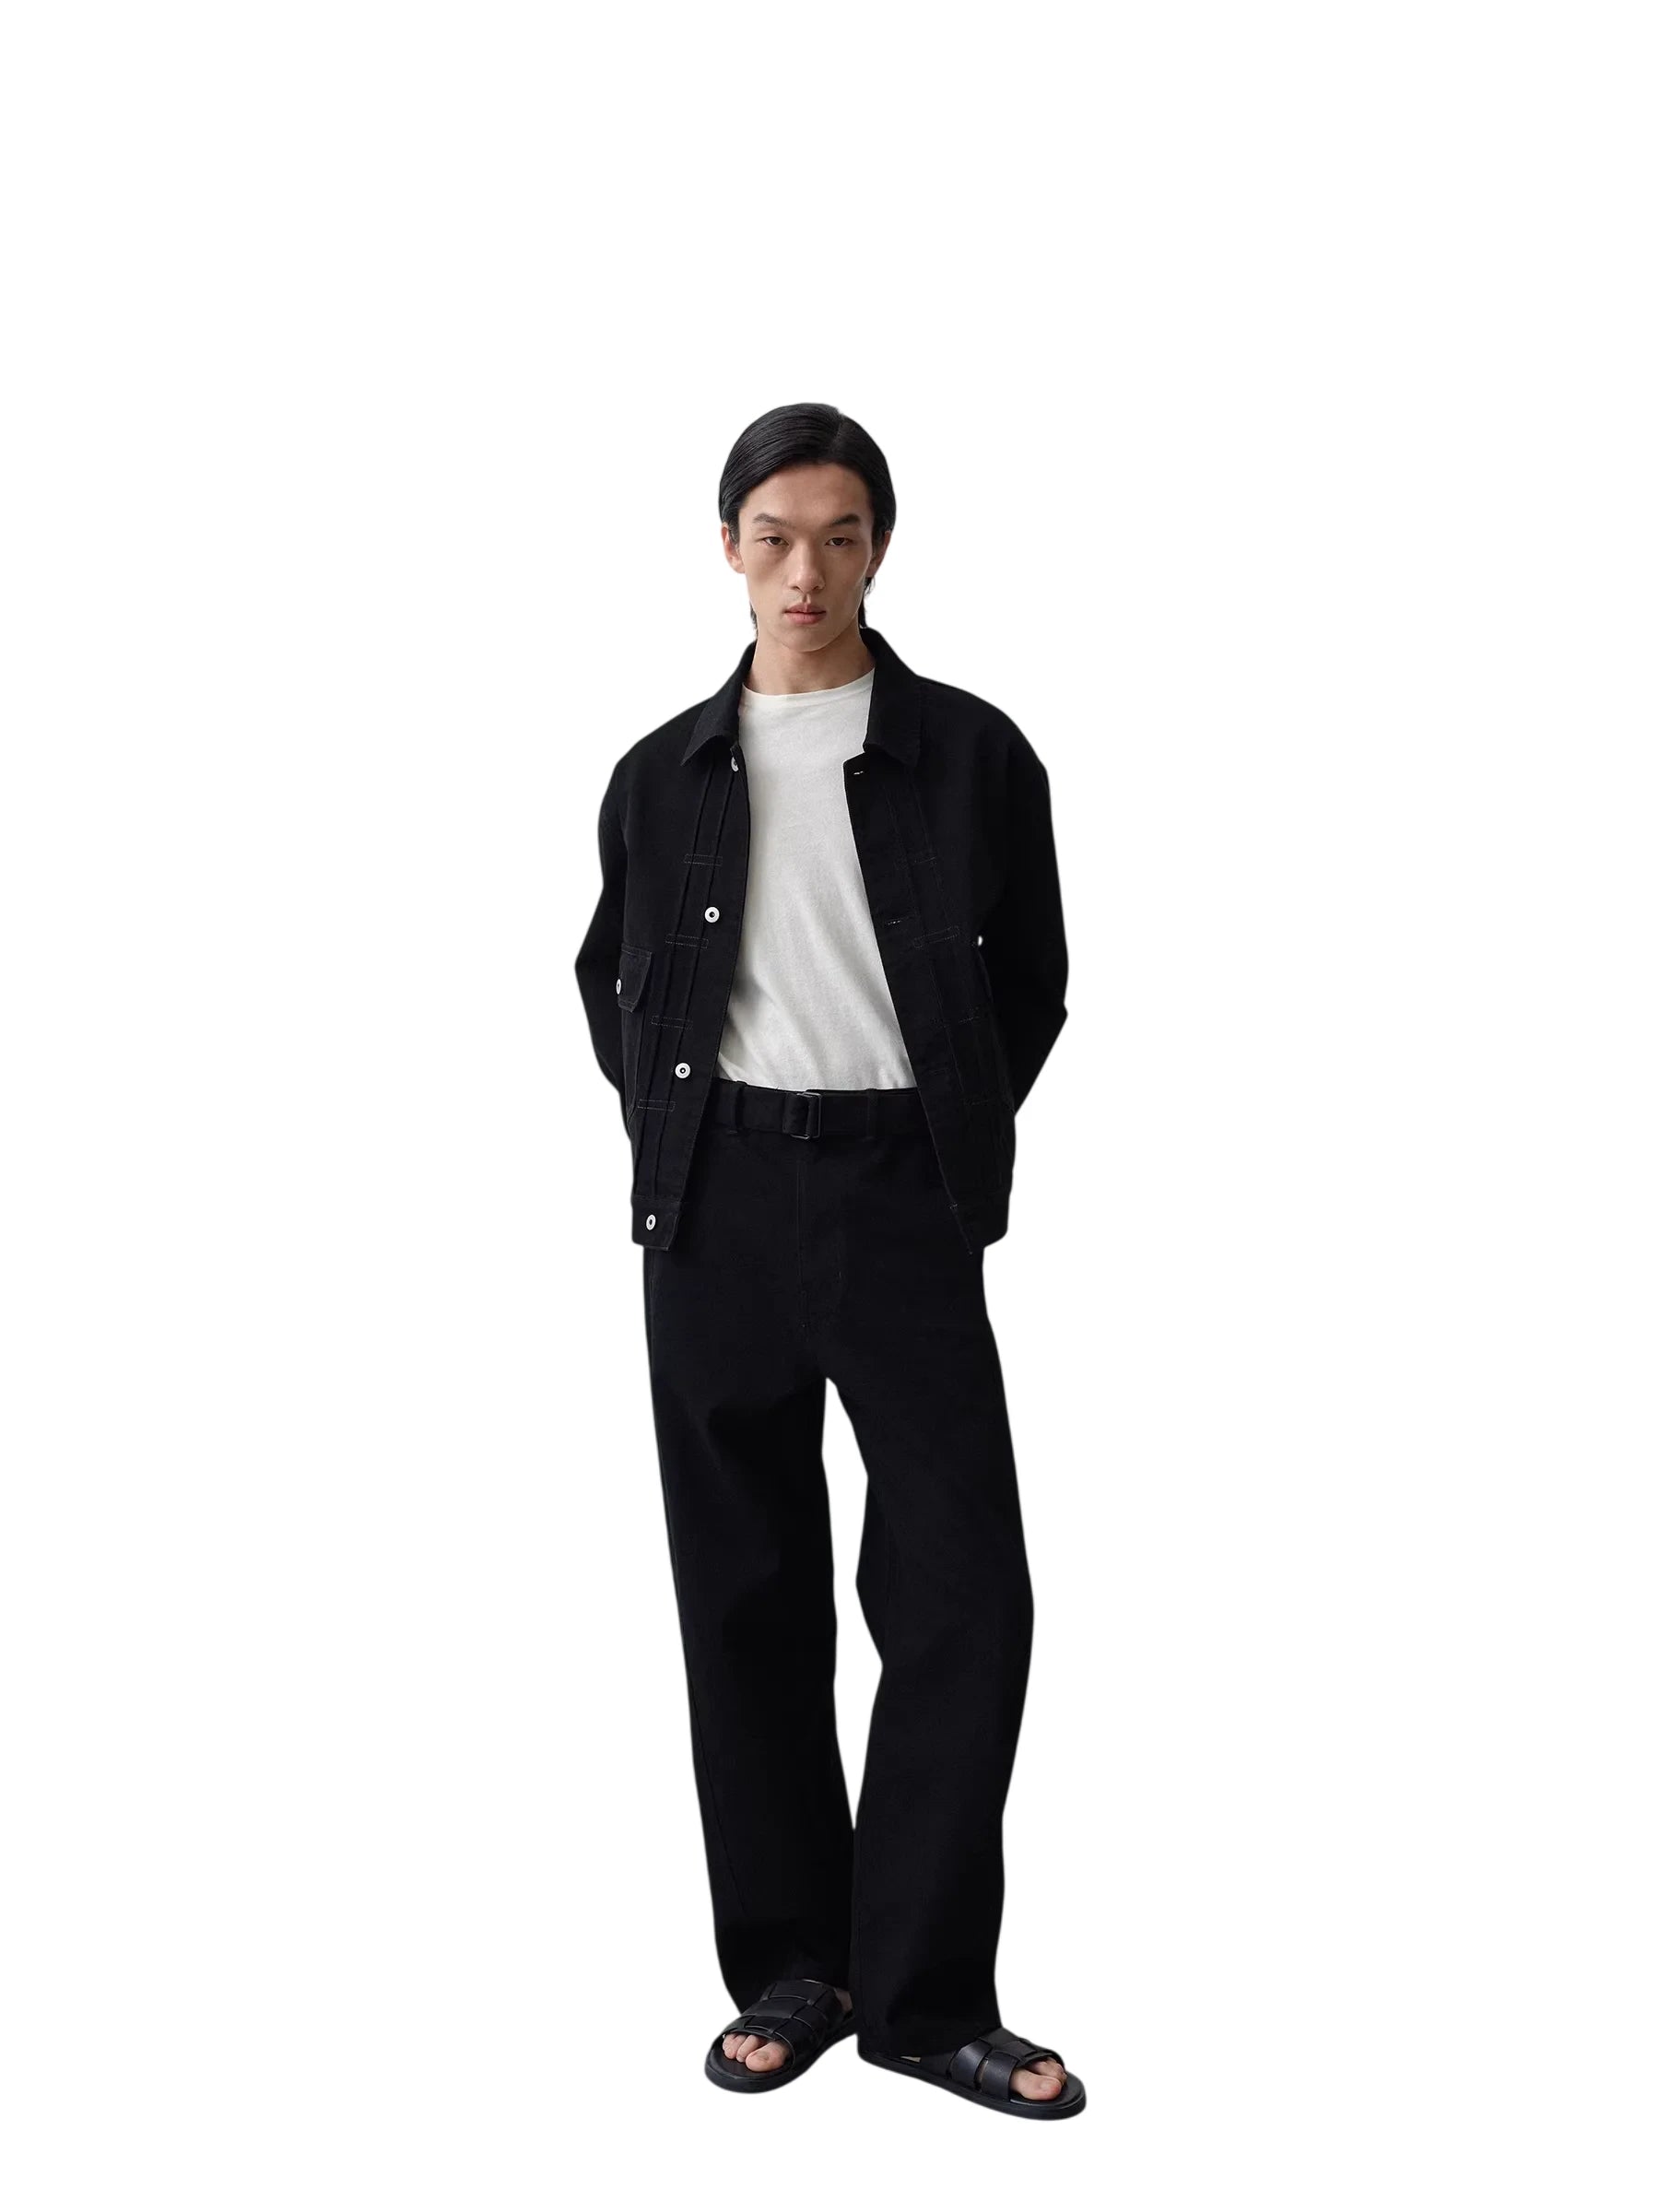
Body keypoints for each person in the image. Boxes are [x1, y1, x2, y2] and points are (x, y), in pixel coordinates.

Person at [574, 403, 1082, 2120]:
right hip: (713, 1203)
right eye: (776, 535)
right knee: (747, 1592)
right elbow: (609, 979)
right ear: (728, 548)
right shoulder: (659, 775)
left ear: (880, 550)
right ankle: (797, 1967)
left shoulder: (972, 754)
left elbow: (1031, 984)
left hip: (899, 1197)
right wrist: (688, 1127)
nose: (807, 568)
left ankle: (927, 1998)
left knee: (962, 1594)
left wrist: (941, 1133)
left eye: (842, 535)